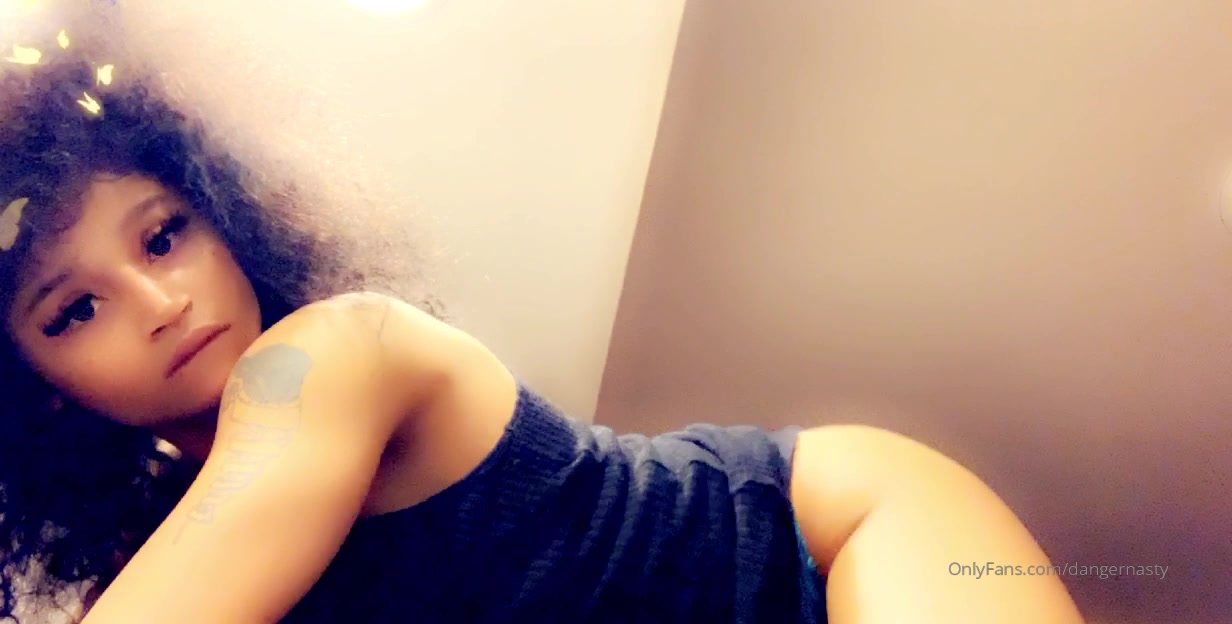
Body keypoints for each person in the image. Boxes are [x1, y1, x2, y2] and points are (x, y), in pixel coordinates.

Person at [0, 14, 1086, 624]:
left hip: (827, 532)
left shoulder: (330, 353)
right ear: (33, 387)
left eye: (164, 236)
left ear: (224, 214)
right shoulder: (163, 530)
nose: (162, 303)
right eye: (76, 307)